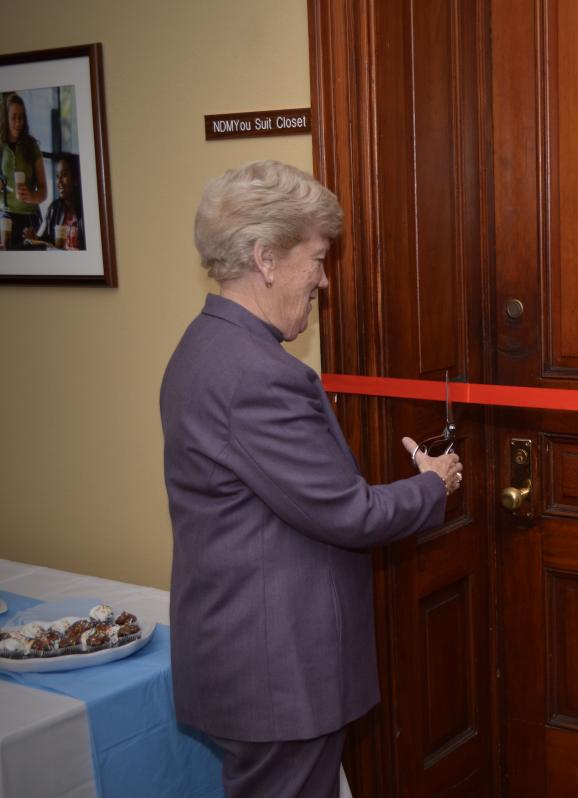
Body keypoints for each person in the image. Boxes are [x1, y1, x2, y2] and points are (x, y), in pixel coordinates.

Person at [160, 160, 464, 798]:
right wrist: (435, 482)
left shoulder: (201, 346)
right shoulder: (260, 374)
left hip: (242, 652)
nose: (324, 280)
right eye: (318, 259)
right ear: (267, 258)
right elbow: (347, 513)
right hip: (276, 671)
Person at [0, 93, 47, 244]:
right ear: (6, 119)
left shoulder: (32, 146)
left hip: (29, 215)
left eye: (21, 118)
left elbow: (44, 191)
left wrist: (32, 196)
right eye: (13, 117)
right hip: (4, 213)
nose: (18, 122)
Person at [33, 154, 85, 249]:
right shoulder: (53, 208)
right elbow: (42, 240)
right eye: (57, 176)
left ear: (76, 180)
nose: (59, 182)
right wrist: (34, 238)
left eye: (64, 175)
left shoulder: (86, 209)